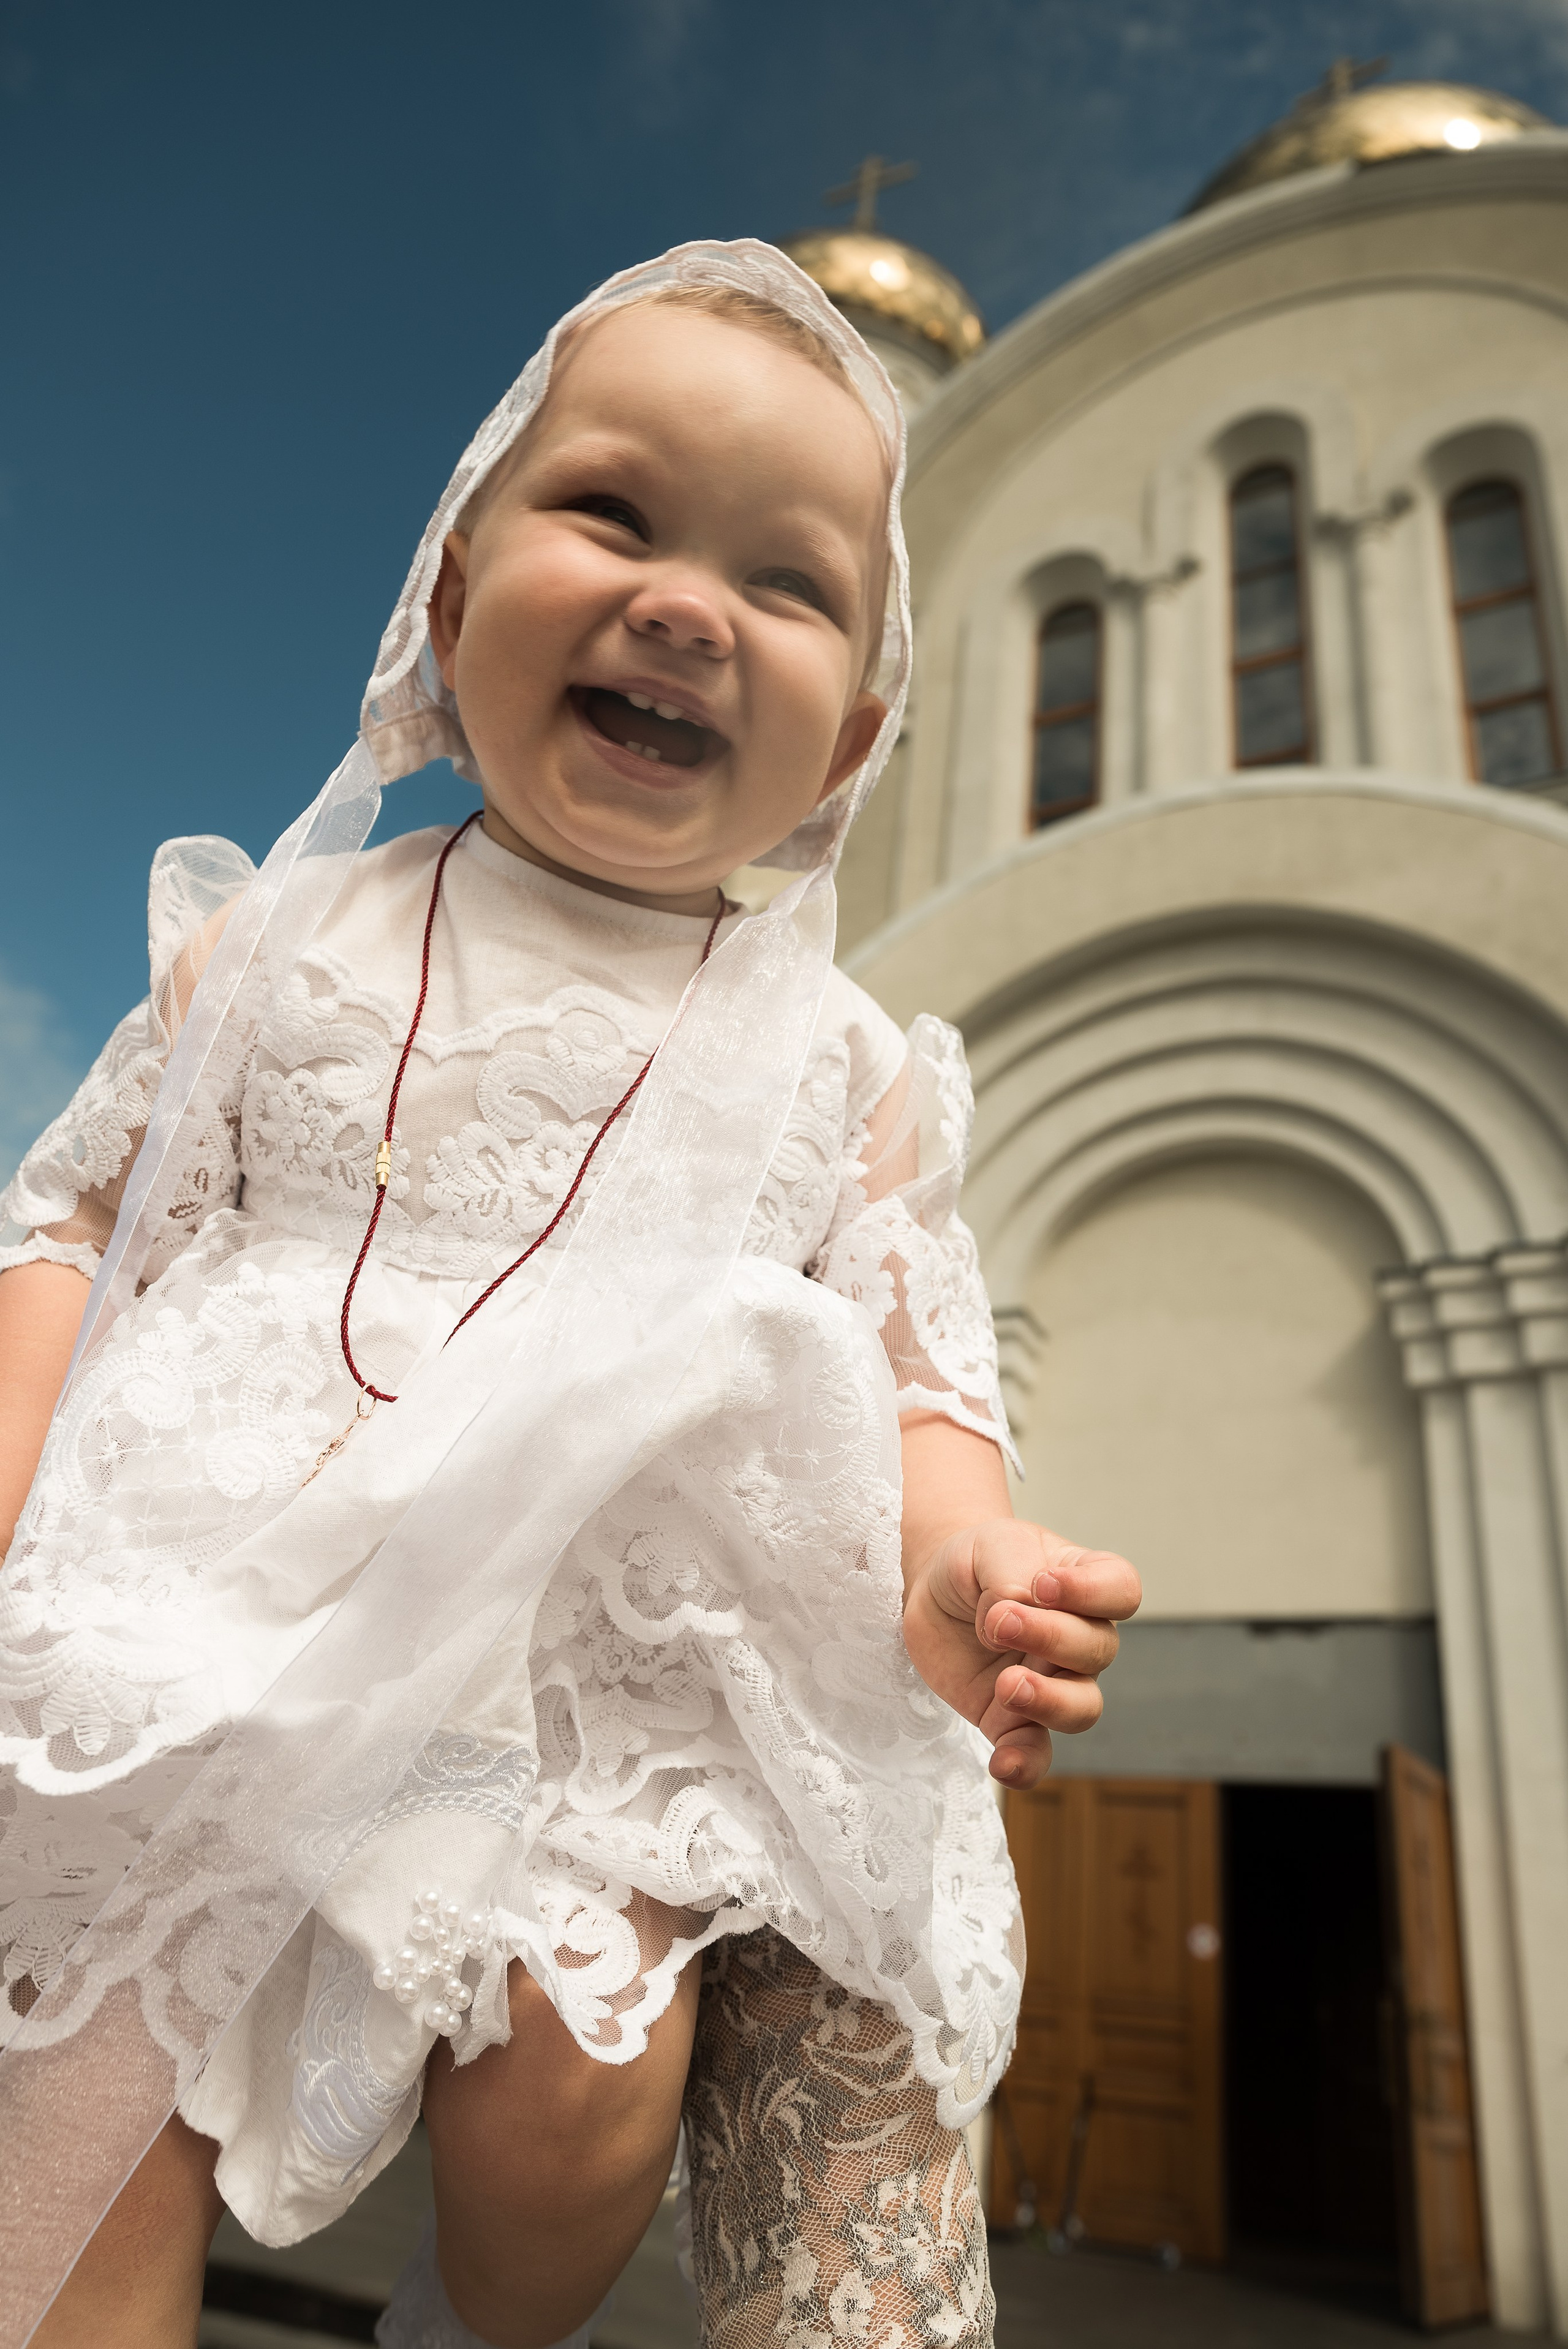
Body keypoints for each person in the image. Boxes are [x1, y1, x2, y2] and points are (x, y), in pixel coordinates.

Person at [0, 243, 1138, 2349]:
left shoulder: (839, 1062)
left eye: (786, 585)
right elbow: (75, 1219)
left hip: (566, 1670)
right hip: (194, 1602)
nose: (685, 603)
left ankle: (472, 2324)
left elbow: (914, 1362)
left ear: (853, 739)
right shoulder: (279, 944)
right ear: (446, 595)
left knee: (588, 2080)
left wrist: (971, 1556)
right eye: (610, 514)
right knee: (79, 2067)